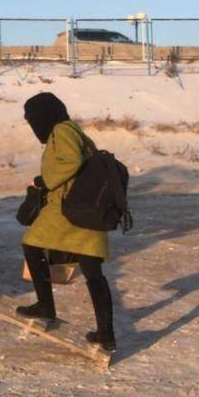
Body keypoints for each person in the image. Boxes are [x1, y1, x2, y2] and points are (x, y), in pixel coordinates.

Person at [16, 93, 117, 351]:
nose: (33, 125)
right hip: (88, 211)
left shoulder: (61, 131)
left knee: (31, 244)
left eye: (33, 118)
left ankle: (45, 305)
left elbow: (71, 161)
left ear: (44, 115)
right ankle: (106, 334)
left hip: (69, 210)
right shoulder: (74, 130)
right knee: (93, 273)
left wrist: (44, 181)